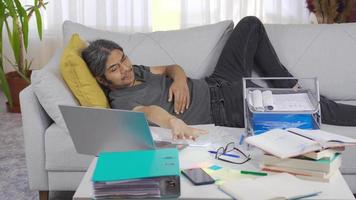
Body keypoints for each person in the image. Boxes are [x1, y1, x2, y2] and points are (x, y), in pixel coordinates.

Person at [82, 16, 356, 140]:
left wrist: (178, 79)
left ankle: (288, 85)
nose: (125, 69)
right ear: (103, 80)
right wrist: (174, 120)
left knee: (249, 25)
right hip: (226, 108)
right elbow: (150, 111)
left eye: (124, 60)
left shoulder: (136, 71)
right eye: (115, 69)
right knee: (315, 107)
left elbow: (170, 68)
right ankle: (295, 93)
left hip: (217, 82)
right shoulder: (121, 101)